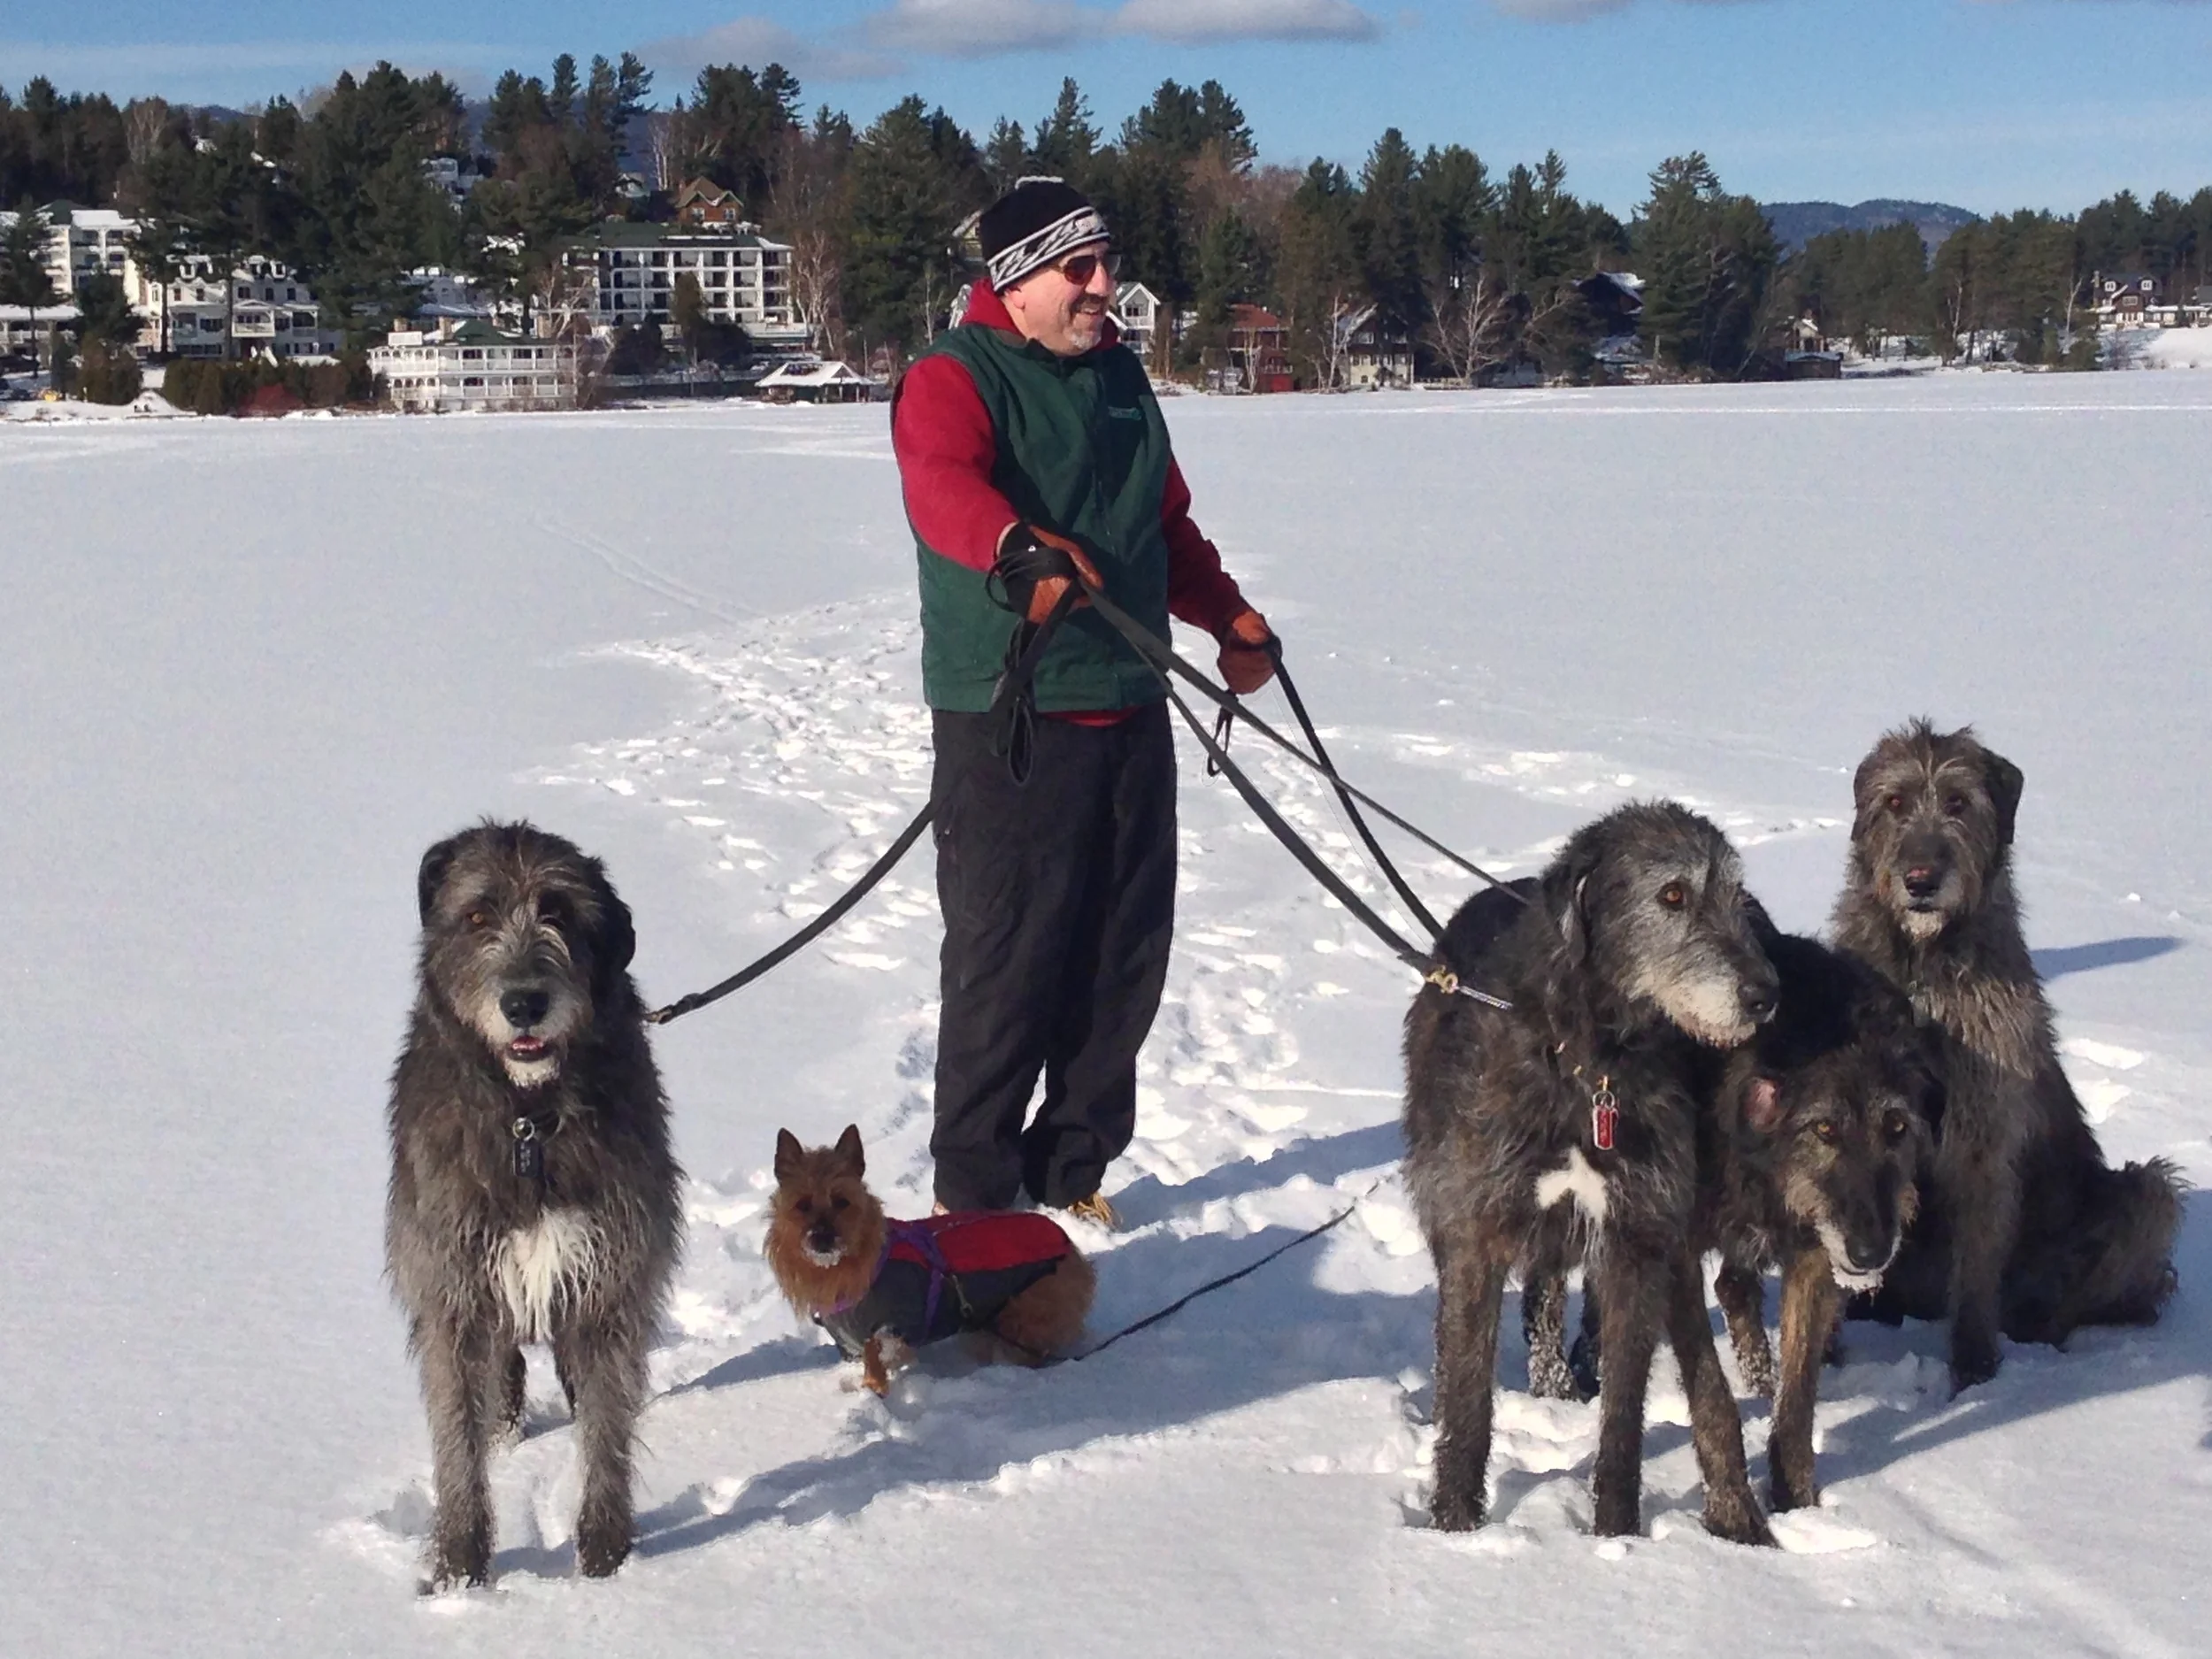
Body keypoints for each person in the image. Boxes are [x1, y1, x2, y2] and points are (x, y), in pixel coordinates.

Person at [892, 176, 1275, 1226]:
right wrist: (1016, 549)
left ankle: (1069, 1178)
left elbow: (1166, 526)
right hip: (1011, 716)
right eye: (1081, 268)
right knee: (1006, 965)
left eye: (1106, 263)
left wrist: (1228, 619)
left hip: (1129, 703)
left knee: (1121, 963)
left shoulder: (1117, 378)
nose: (1105, 286)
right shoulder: (951, 376)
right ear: (1016, 281)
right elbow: (943, 490)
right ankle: (975, 1201)